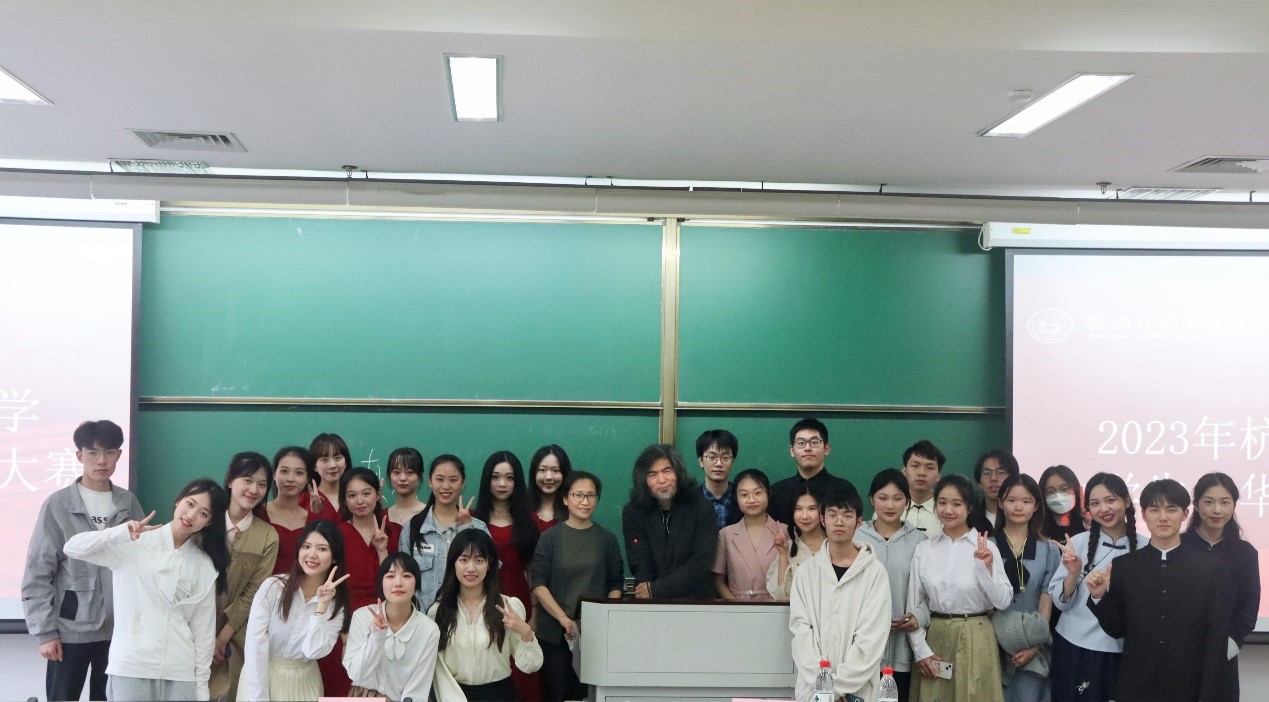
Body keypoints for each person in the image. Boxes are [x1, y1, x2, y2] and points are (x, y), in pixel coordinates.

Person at [63, 478, 231, 701]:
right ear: (178, 501)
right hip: (131, 667)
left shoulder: (203, 564)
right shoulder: (135, 542)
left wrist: (201, 688)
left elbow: (203, 632)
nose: (191, 515)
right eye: (190, 504)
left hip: (180, 673)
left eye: (203, 513)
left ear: (209, 522)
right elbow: (73, 547)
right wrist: (120, 532)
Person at [22, 420, 144, 702]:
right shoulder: (58, 504)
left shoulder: (127, 503)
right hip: (70, 631)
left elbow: (141, 565)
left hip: (119, 632)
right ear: (79, 455)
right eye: (92, 452)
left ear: (119, 455)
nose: (102, 461)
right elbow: (38, 571)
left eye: (110, 452)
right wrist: (45, 633)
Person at [1086, 479, 1228, 702]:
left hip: (1188, 687)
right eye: (1154, 510)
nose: (1163, 517)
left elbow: (1216, 641)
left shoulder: (1210, 569)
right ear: (1143, 515)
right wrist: (1099, 596)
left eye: (1171, 509)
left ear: (1185, 513)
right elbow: (1117, 629)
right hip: (1136, 687)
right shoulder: (1125, 566)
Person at [907, 474, 1013, 702]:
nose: (948, 510)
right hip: (935, 636)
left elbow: (1003, 601)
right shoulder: (924, 549)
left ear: (969, 507)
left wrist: (985, 568)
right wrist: (920, 652)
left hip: (976, 635)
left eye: (957, 504)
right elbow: (914, 605)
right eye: (942, 503)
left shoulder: (987, 547)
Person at [789, 485, 892, 702]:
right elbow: (801, 632)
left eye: (847, 515)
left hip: (857, 692)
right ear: (822, 519)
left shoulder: (875, 573)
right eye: (832, 514)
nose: (839, 521)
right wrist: (824, 687)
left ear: (859, 522)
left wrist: (836, 689)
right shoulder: (806, 573)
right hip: (813, 690)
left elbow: (872, 639)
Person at [531, 471, 624, 702]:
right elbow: (539, 584)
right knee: (558, 695)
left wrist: (604, 617)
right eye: (578, 495)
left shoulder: (606, 539)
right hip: (555, 633)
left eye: (591, 496)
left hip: (595, 634)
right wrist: (563, 618)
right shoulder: (550, 538)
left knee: (591, 695)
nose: (585, 501)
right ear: (565, 499)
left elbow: (615, 583)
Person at [1046, 472, 1138, 702]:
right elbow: (1060, 602)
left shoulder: (1145, 547)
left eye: (1110, 500)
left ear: (1127, 501)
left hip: (1120, 650)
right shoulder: (1077, 542)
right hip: (1073, 646)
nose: (1103, 509)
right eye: (1095, 503)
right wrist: (1073, 573)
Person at [238, 520, 349, 701]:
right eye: (306, 546)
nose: (312, 554)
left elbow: (313, 652)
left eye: (322, 549)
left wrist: (321, 606)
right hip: (262, 678)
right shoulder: (273, 587)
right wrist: (259, 697)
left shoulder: (336, 605)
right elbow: (254, 647)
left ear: (335, 557)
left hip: (304, 685)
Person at [429, 530, 543, 702]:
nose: (471, 568)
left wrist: (526, 632)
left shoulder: (508, 607)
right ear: (453, 563)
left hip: (499, 695)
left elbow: (530, 666)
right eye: (463, 560)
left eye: (479, 560)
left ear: (490, 564)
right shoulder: (438, 611)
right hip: (453, 695)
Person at [1181, 472, 1260, 701]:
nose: (1217, 510)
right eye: (1209, 502)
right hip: (1177, 656)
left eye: (1225, 502)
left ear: (1234, 505)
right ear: (1196, 505)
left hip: (1223, 656)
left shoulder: (1245, 553)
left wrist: (1227, 647)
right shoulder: (1179, 545)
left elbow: (1248, 607)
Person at [210, 452, 281, 702]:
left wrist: (222, 637)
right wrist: (205, 635)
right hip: (192, 632)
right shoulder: (204, 522)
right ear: (230, 481)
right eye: (247, 480)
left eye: (262, 484)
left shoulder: (268, 536)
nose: (254, 490)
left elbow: (254, 593)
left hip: (236, 636)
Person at [473, 450, 542, 702]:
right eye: (495, 477)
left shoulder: (529, 521)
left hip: (519, 600)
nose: (502, 484)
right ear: (487, 480)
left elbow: (533, 570)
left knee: (521, 669)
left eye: (509, 478)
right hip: (481, 601)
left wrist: (534, 613)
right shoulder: (473, 520)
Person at [855, 469, 928, 702]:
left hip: (903, 649)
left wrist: (919, 616)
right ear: (871, 499)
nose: (890, 505)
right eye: (882, 497)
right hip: (862, 647)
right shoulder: (855, 538)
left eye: (897, 498)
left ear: (907, 501)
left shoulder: (919, 541)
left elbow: (932, 594)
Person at [991, 474, 1059, 702]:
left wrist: (1035, 646)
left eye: (1026, 501)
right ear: (1001, 503)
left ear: (1036, 506)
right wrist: (1004, 641)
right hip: (994, 643)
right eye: (1011, 500)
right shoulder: (986, 546)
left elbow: (1046, 601)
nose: (1018, 507)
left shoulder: (1048, 550)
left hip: (1033, 645)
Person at [622, 443, 719, 599]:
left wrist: (657, 590)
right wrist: (648, 595)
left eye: (667, 471)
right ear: (643, 480)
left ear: (678, 473)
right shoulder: (634, 512)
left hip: (695, 600)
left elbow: (700, 562)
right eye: (652, 474)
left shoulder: (701, 507)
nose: (662, 480)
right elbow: (640, 561)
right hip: (651, 601)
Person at [343, 553, 441, 700]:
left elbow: (419, 687)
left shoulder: (429, 630)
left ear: (416, 584)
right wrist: (377, 636)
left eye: (406, 576)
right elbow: (355, 673)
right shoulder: (362, 616)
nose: (398, 583)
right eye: (390, 576)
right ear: (381, 583)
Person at [403, 454, 490, 609]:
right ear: (430, 481)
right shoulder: (413, 528)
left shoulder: (478, 528)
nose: (446, 486)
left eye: (453, 480)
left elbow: (490, 575)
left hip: (465, 617)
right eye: (440, 479)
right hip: (422, 618)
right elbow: (402, 576)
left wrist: (466, 529)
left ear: (463, 482)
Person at [712, 468, 785, 601]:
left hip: (776, 605)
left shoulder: (784, 531)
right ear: (736, 498)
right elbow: (718, 579)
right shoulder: (726, 535)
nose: (751, 500)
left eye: (757, 493)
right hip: (738, 607)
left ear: (768, 494)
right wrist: (735, 605)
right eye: (744, 495)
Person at [263, 446, 335, 576]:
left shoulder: (314, 520)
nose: (290, 479)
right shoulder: (259, 513)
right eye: (284, 471)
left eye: (299, 473)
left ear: (307, 478)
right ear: (274, 474)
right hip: (264, 587)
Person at [769, 418, 855, 527]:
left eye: (814, 442)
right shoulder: (777, 492)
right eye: (801, 443)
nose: (807, 448)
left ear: (826, 448)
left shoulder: (844, 489)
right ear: (792, 450)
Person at [337, 468, 402, 610]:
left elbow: (397, 580)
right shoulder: (337, 534)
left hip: (387, 610)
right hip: (346, 611)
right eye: (352, 495)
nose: (360, 501)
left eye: (366, 494)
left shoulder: (395, 532)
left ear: (378, 495)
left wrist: (382, 551)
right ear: (345, 500)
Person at [766, 484, 826, 602]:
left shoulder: (834, 546)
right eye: (798, 509)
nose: (804, 516)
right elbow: (780, 596)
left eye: (812, 509)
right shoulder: (788, 548)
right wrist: (783, 555)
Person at [696, 428, 741, 529]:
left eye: (725, 457)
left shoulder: (743, 498)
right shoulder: (689, 500)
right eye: (712, 457)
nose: (719, 463)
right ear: (701, 461)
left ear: (732, 461)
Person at [900, 440, 944, 535]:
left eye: (930, 467)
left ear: (938, 476)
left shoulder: (947, 511)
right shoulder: (889, 508)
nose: (922, 473)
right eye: (915, 466)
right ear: (904, 472)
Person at [527, 444, 572, 532]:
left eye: (556, 470)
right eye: (542, 470)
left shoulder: (573, 510)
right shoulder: (521, 508)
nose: (549, 477)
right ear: (534, 473)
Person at [307, 432, 352, 515]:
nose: (332, 465)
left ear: (346, 462)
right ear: (314, 466)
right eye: (324, 460)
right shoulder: (304, 500)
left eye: (337, 458)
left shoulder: (356, 498)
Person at [975, 449, 1020, 529]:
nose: (993, 478)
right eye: (987, 473)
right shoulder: (969, 521)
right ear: (979, 483)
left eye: (1000, 472)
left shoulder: (1024, 518)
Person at [1038, 465, 1085, 542]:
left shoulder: (1087, 526)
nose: (1058, 496)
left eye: (1064, 489)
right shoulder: (1037, 529)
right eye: (1051, 491)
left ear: (1075, 490)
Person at [386, 447, 428, 526]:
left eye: (409, 472)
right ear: (389, 476)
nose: (402, 478)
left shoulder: (430, 515)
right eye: (396, 472)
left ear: (420, 476)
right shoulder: (381, 517)